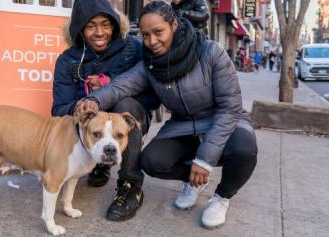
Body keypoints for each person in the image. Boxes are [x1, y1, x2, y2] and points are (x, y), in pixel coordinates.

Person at [75, 1, 257, 229]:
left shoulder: (211, 52)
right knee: (152, 161)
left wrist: (205, 159)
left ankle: (221, 198)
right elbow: (121, 86)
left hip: (222, 120)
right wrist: (94, 99)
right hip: (183, 126)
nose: (152, 41)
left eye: (158, 32)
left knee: (244, 149)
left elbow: (229, 108)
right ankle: (193, 180)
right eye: (145, 35)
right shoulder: (151, 64)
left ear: (174, 24)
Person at [52, 0, 159, 221]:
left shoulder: (134, 48)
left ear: (114, 25)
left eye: (105, 25)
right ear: (80, 28)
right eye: (90, 26)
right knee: (82, 118)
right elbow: (58, 110)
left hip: (129, 119)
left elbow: (153, 98)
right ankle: (97, 162)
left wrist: (112, 86)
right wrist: (80, 106)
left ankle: (130, 185)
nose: (99, 32)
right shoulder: (67, 60)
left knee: (124, 106)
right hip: (91, 127)